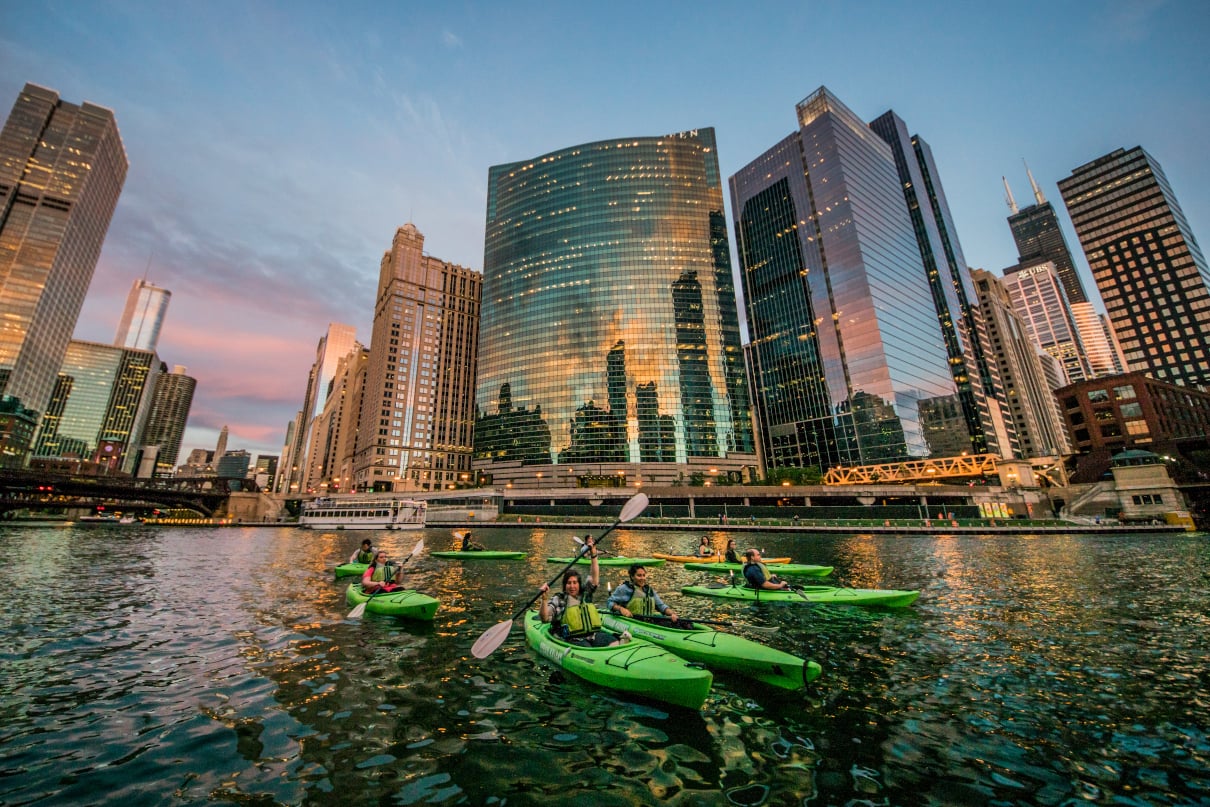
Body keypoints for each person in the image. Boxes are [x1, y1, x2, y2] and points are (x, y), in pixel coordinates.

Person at [538, 536, 623, 647]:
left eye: (575, 583)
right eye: (569, 583)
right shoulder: (560, 599)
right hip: (571, 639)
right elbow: (545, 618)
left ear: (579, 584)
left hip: (591, 635)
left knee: (615, 642)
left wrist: (594, 555)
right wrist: (544, 599)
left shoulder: (585, 594)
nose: (572, 586)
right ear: (565, 585)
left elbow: (595, 578)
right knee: (587, 647)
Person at [608, 563, 680, 623]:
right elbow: (610, 602)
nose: (642, 578)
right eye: (639, 575)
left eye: (643, 575)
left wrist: (672, 614)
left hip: (648, 623)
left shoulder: (649, 590)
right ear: (632, 576)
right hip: (632, 622)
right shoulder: (624, 589)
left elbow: (661, 606)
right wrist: (621, 609)